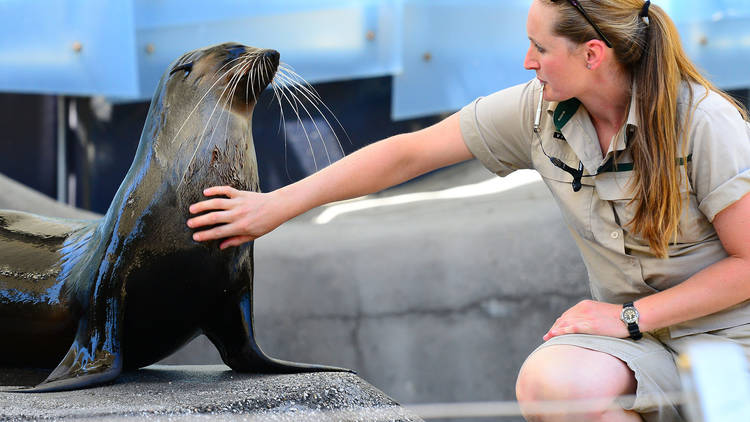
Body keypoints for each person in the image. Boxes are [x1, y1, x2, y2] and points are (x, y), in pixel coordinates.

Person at [187, 1, 750, 420]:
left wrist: (627, 318)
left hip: (729, 345)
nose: (527, 61)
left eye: (541, 48)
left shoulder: (703, 123)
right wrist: (275, 206)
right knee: (552, 385)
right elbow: (408, 152)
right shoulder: (538, 115)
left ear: (593, 54)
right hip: (644, 347)